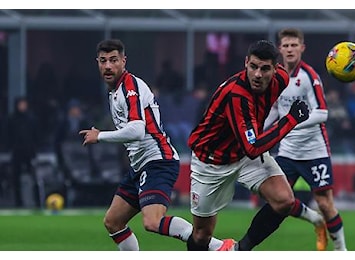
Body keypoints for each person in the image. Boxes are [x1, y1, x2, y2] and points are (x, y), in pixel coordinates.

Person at [79, 39, 225, 251]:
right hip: (140, 166)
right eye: (103, 61)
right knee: (113, 221)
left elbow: (137, 131)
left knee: (152, 222)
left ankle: (218, 247)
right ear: (98, 63)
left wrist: (99, 136)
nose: (108, 66)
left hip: (158, 161)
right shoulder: (115, 91)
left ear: (123, 61)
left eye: (113, 60)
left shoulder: (130, 87)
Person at [186, 39, 316, 251]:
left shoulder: (282, 79)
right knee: (201, 236)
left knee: (284, 200)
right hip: (211, 162)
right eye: (253, 66)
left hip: (243, 156)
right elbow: (253, 148)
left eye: (265, 69)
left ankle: (240, 250)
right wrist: (290, 120)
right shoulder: (237, 94)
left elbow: (251, 147)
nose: (257, 74)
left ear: (276, 69)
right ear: (246, 63)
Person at [262, 28, 347, 251]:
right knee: (276, 200)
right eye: (286, 45)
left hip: (314, 151)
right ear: (280, 49)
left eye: (294, 45)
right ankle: (313, 219)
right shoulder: (276, 76)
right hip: (287, 152)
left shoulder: (309, 76)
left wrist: (290, 122)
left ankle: (341, 250)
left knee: (325, 204)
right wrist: (258, 131)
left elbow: (323, 113)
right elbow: (274, 110)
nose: (290, 49)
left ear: (302, 48)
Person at [7, 96, 40, 208]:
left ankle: (37, 201)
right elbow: (8, 134)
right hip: (17, 152)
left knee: (34, 177)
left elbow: (36, 135)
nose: (22, 106)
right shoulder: (12, 119)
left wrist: (35, 149)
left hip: (29, 152)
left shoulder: (31, 119)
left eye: (24, 104)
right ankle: (18, 202)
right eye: (20, 104)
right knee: (16, 178)